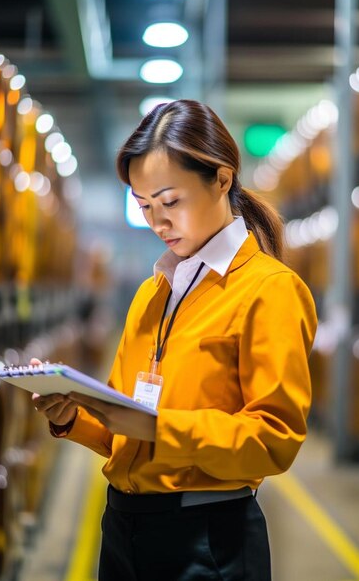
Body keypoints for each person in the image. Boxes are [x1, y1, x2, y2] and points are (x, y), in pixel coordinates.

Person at [33, 99, 318, 581]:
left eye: (170, 201)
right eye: (144, 206)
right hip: (123, 528)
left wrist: (160, 428)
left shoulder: (269, 290)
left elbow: (274, 440)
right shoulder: (153, 292)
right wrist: (75, 417)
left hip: (206, 539)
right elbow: (124, 429)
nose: (157, 222)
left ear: (222, 180)